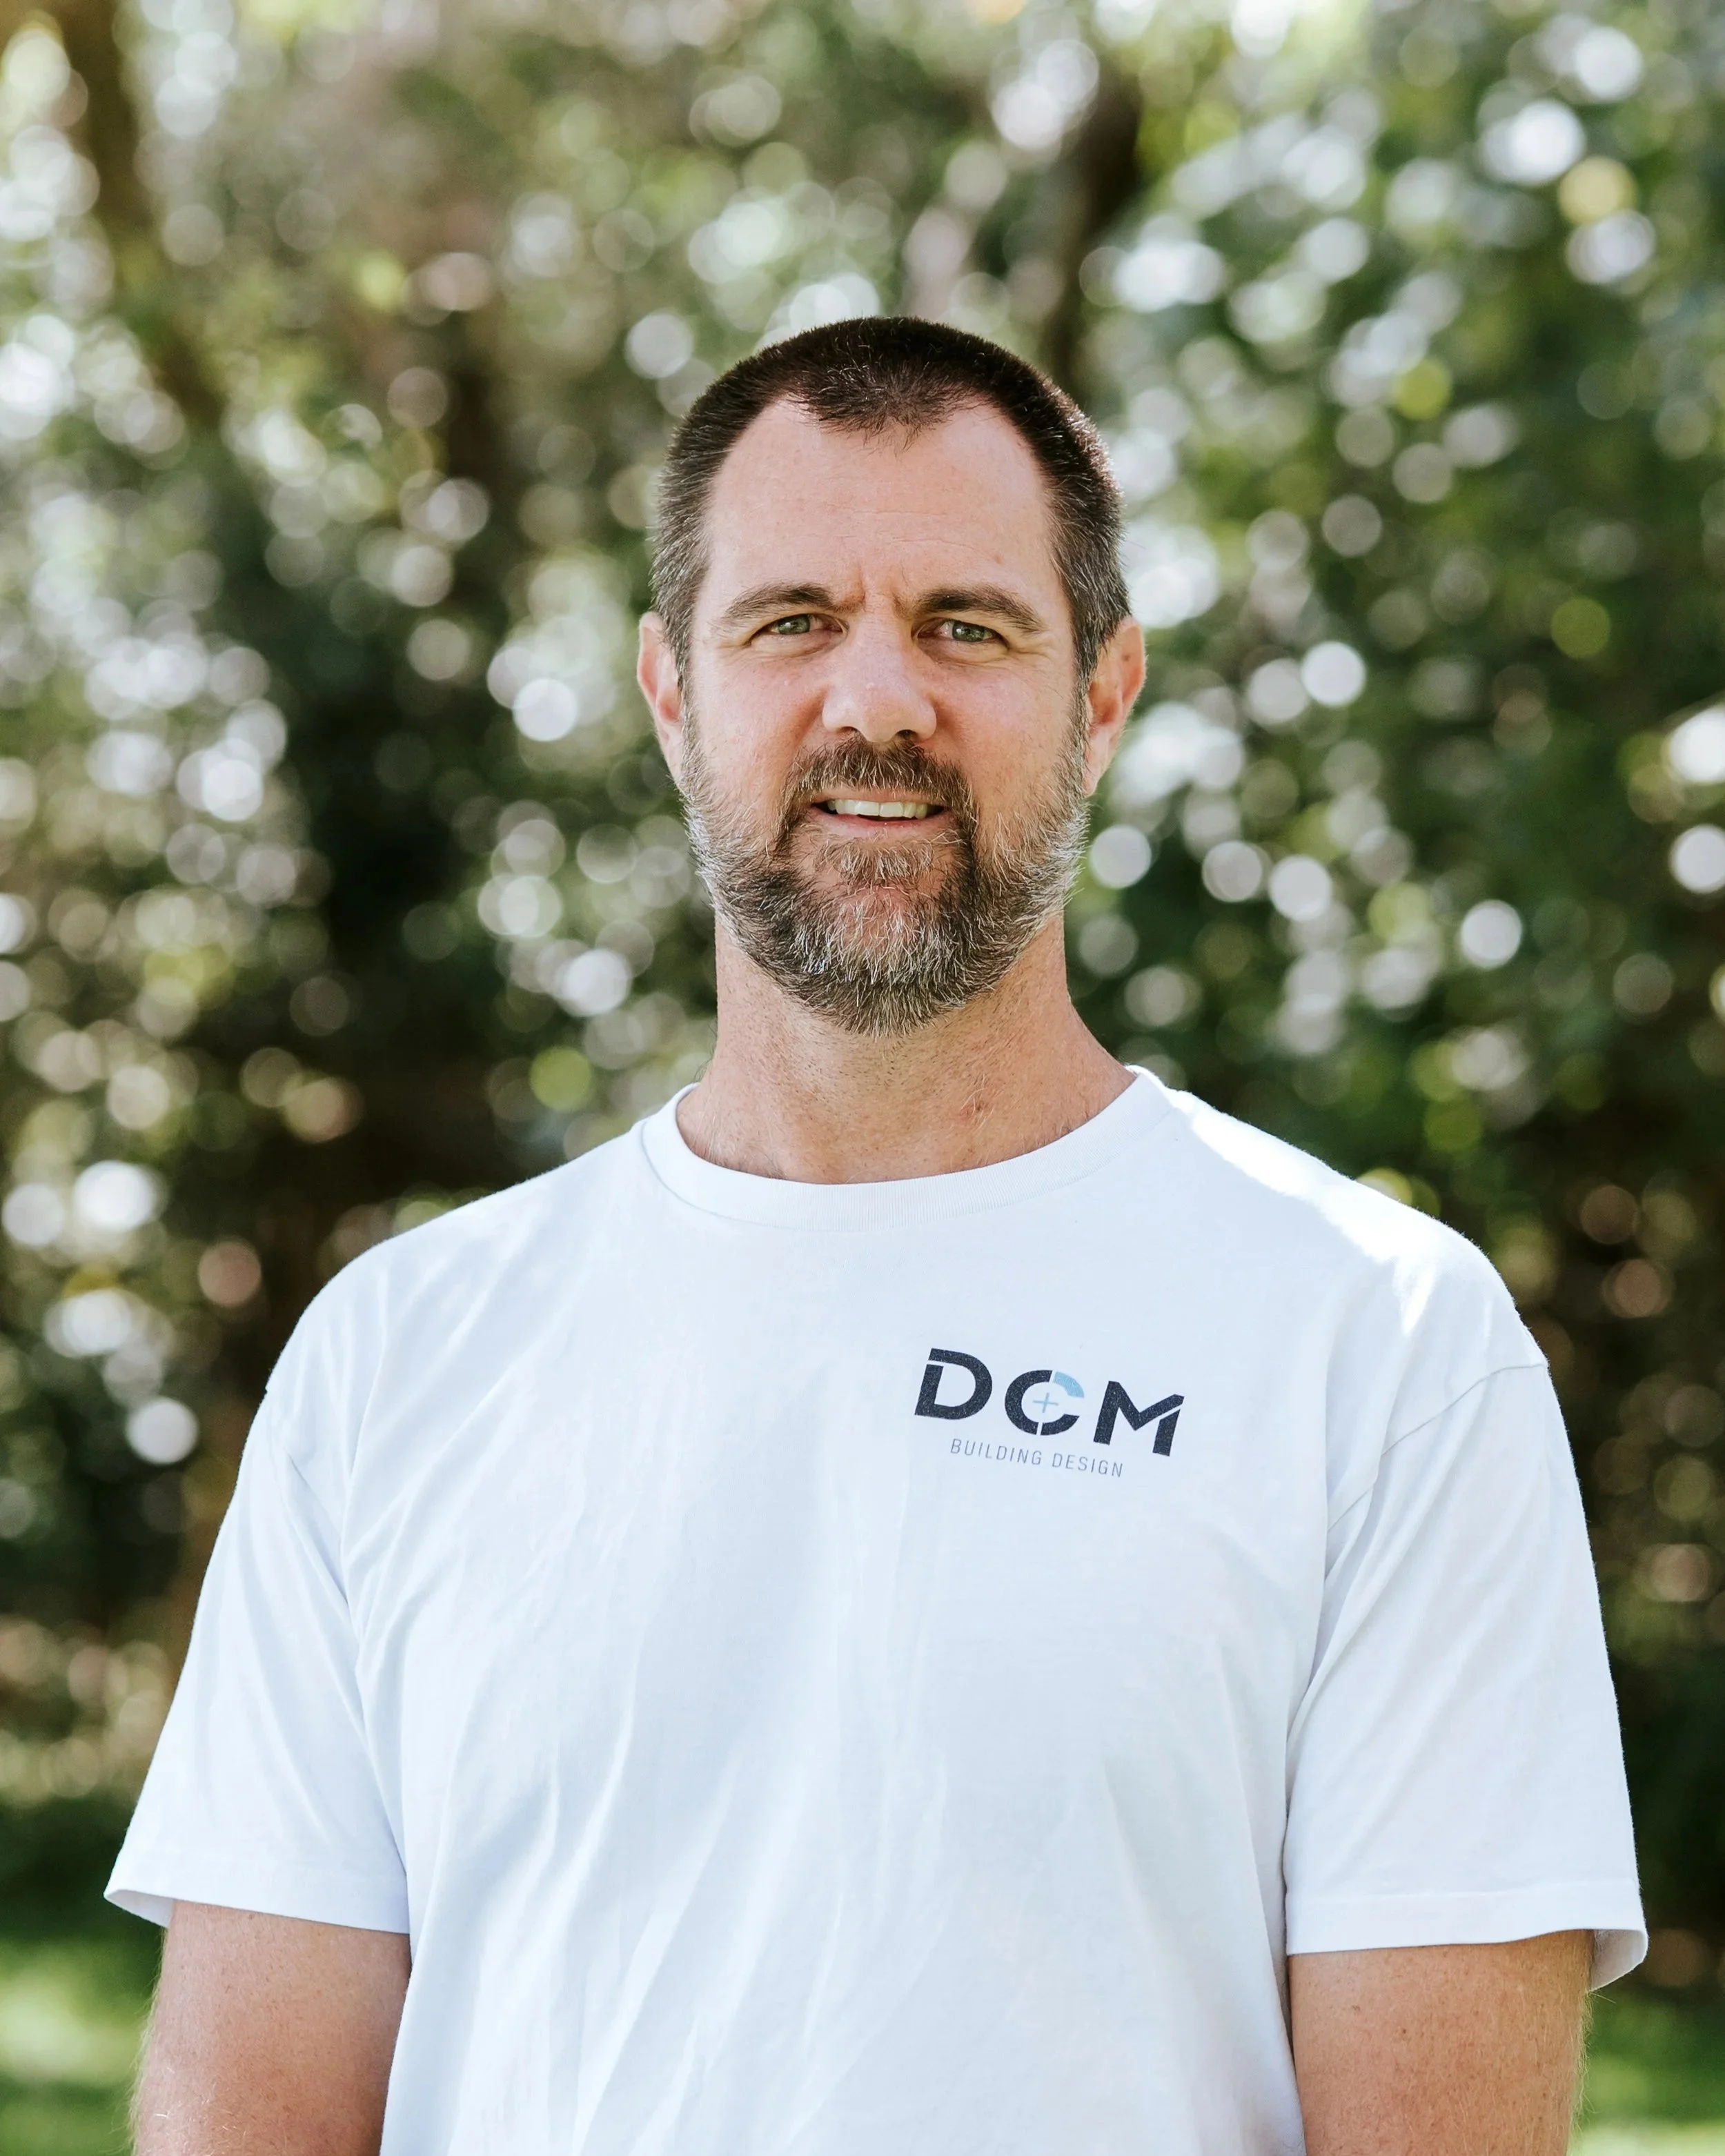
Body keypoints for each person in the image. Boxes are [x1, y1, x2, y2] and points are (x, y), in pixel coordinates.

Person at [113, 317, 1642, 2156]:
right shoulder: (396, 1357)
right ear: (670, 689)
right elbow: (252, 2117)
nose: (876, 705)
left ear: (1104, 690)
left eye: (966, 624)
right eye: (788, 622)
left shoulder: (1374, 1345)